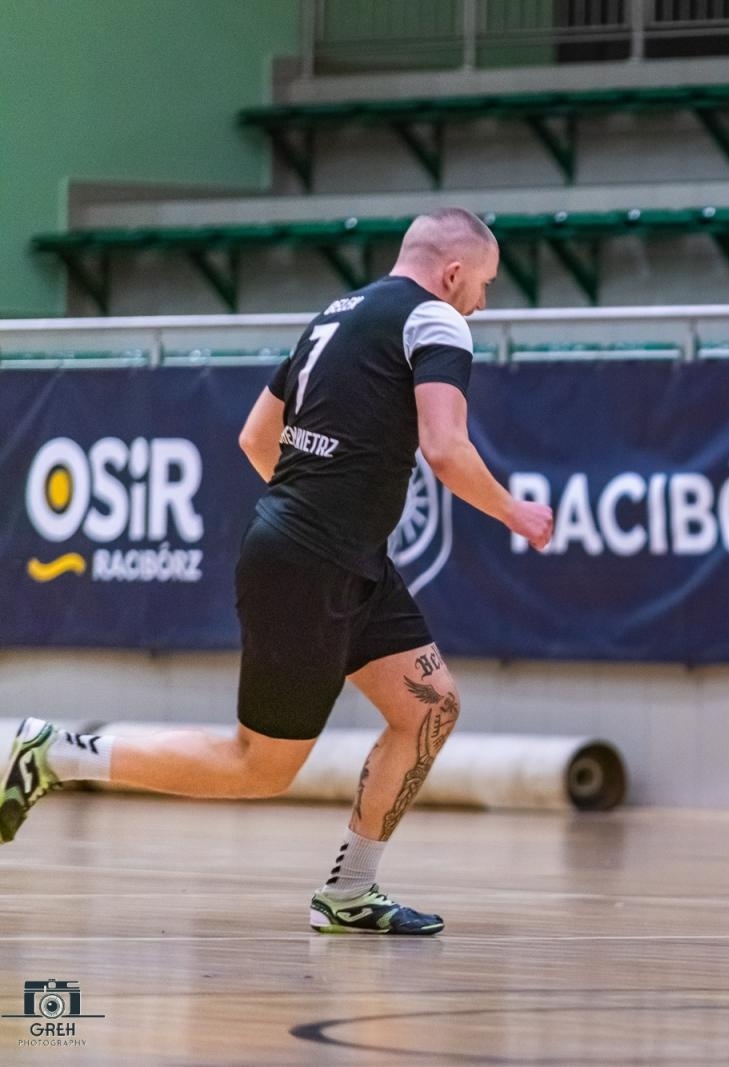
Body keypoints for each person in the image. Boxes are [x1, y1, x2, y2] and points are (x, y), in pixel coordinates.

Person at [0, 207, 553, 935]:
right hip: (315, 555)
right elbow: (445, 449)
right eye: (482, 283)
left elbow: (257, 436)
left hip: (334, 551)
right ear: (453, 274)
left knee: (430, 708)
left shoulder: (335, 315)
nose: (481, 300)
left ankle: (351, 891)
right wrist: (515, 512)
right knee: (257, 764)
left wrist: (313, 507)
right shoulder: (438, 320)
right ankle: (60, 753)